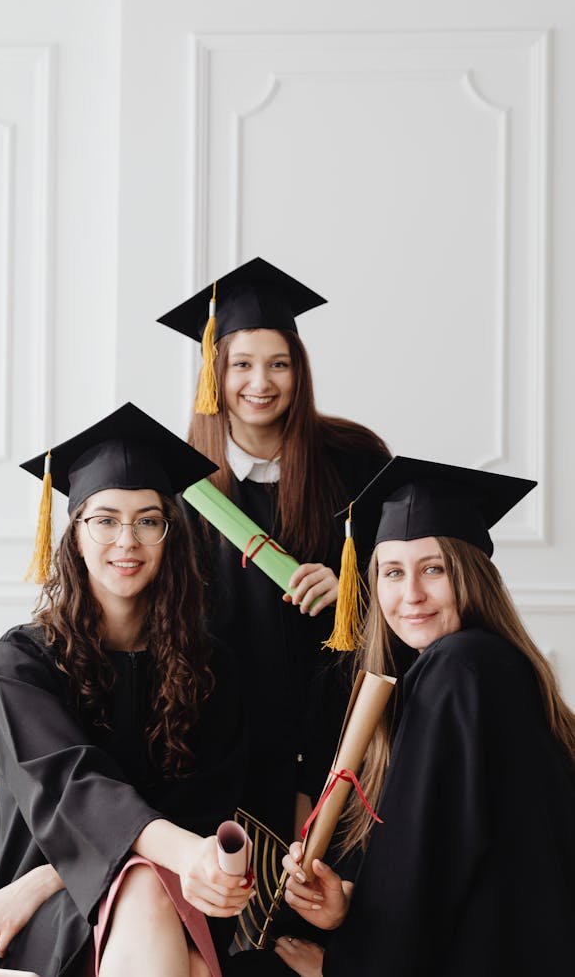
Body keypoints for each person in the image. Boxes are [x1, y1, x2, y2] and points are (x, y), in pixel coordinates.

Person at [0, 403, 249, 977]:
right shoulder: (22, 663)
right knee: (150, 898)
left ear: (170, 535)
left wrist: (58, 872)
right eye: (106, 520)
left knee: (148, 890)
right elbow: (69, 789)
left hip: (163, 880)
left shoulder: (211, 665)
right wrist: (55, 874)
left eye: (147, 520)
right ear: (76, 533)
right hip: (33, 905)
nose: (127, 540)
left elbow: (206, 801)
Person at [277, 457, 575, 977]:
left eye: (433, 569)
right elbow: (451, 849)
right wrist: (346, 901)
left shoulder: (461, 667)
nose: (410, 594)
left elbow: (423, 860)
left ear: (471, 574)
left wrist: (343, 966)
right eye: (392, 572)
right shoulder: (493, 667)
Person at [157, 257, 391, 842]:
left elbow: (409, 575)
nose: (260, 384)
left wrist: (351, 591)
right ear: (215, 373)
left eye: (278, 364)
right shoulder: (177, 484)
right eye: (241, 364)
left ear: (299, 371)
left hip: (341, 719)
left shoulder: (357, 460)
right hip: (224, 729)